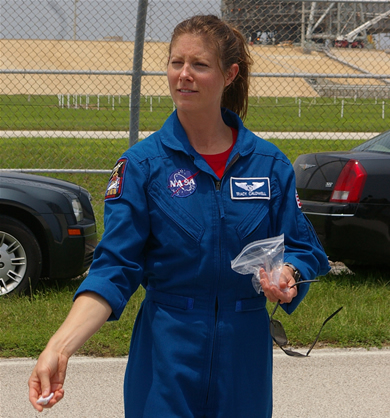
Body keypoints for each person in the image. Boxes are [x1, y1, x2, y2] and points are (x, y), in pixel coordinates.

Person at [28, 14, 329, 417]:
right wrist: (59, 347)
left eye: (199, 65)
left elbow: (304, 248)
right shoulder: (143, 166)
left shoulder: (269, 164)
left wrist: (288, 271)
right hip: (167, 352)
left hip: (245, 356)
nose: (184, 75)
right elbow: (114, 267)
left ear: (229, 74)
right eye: (176, 63)